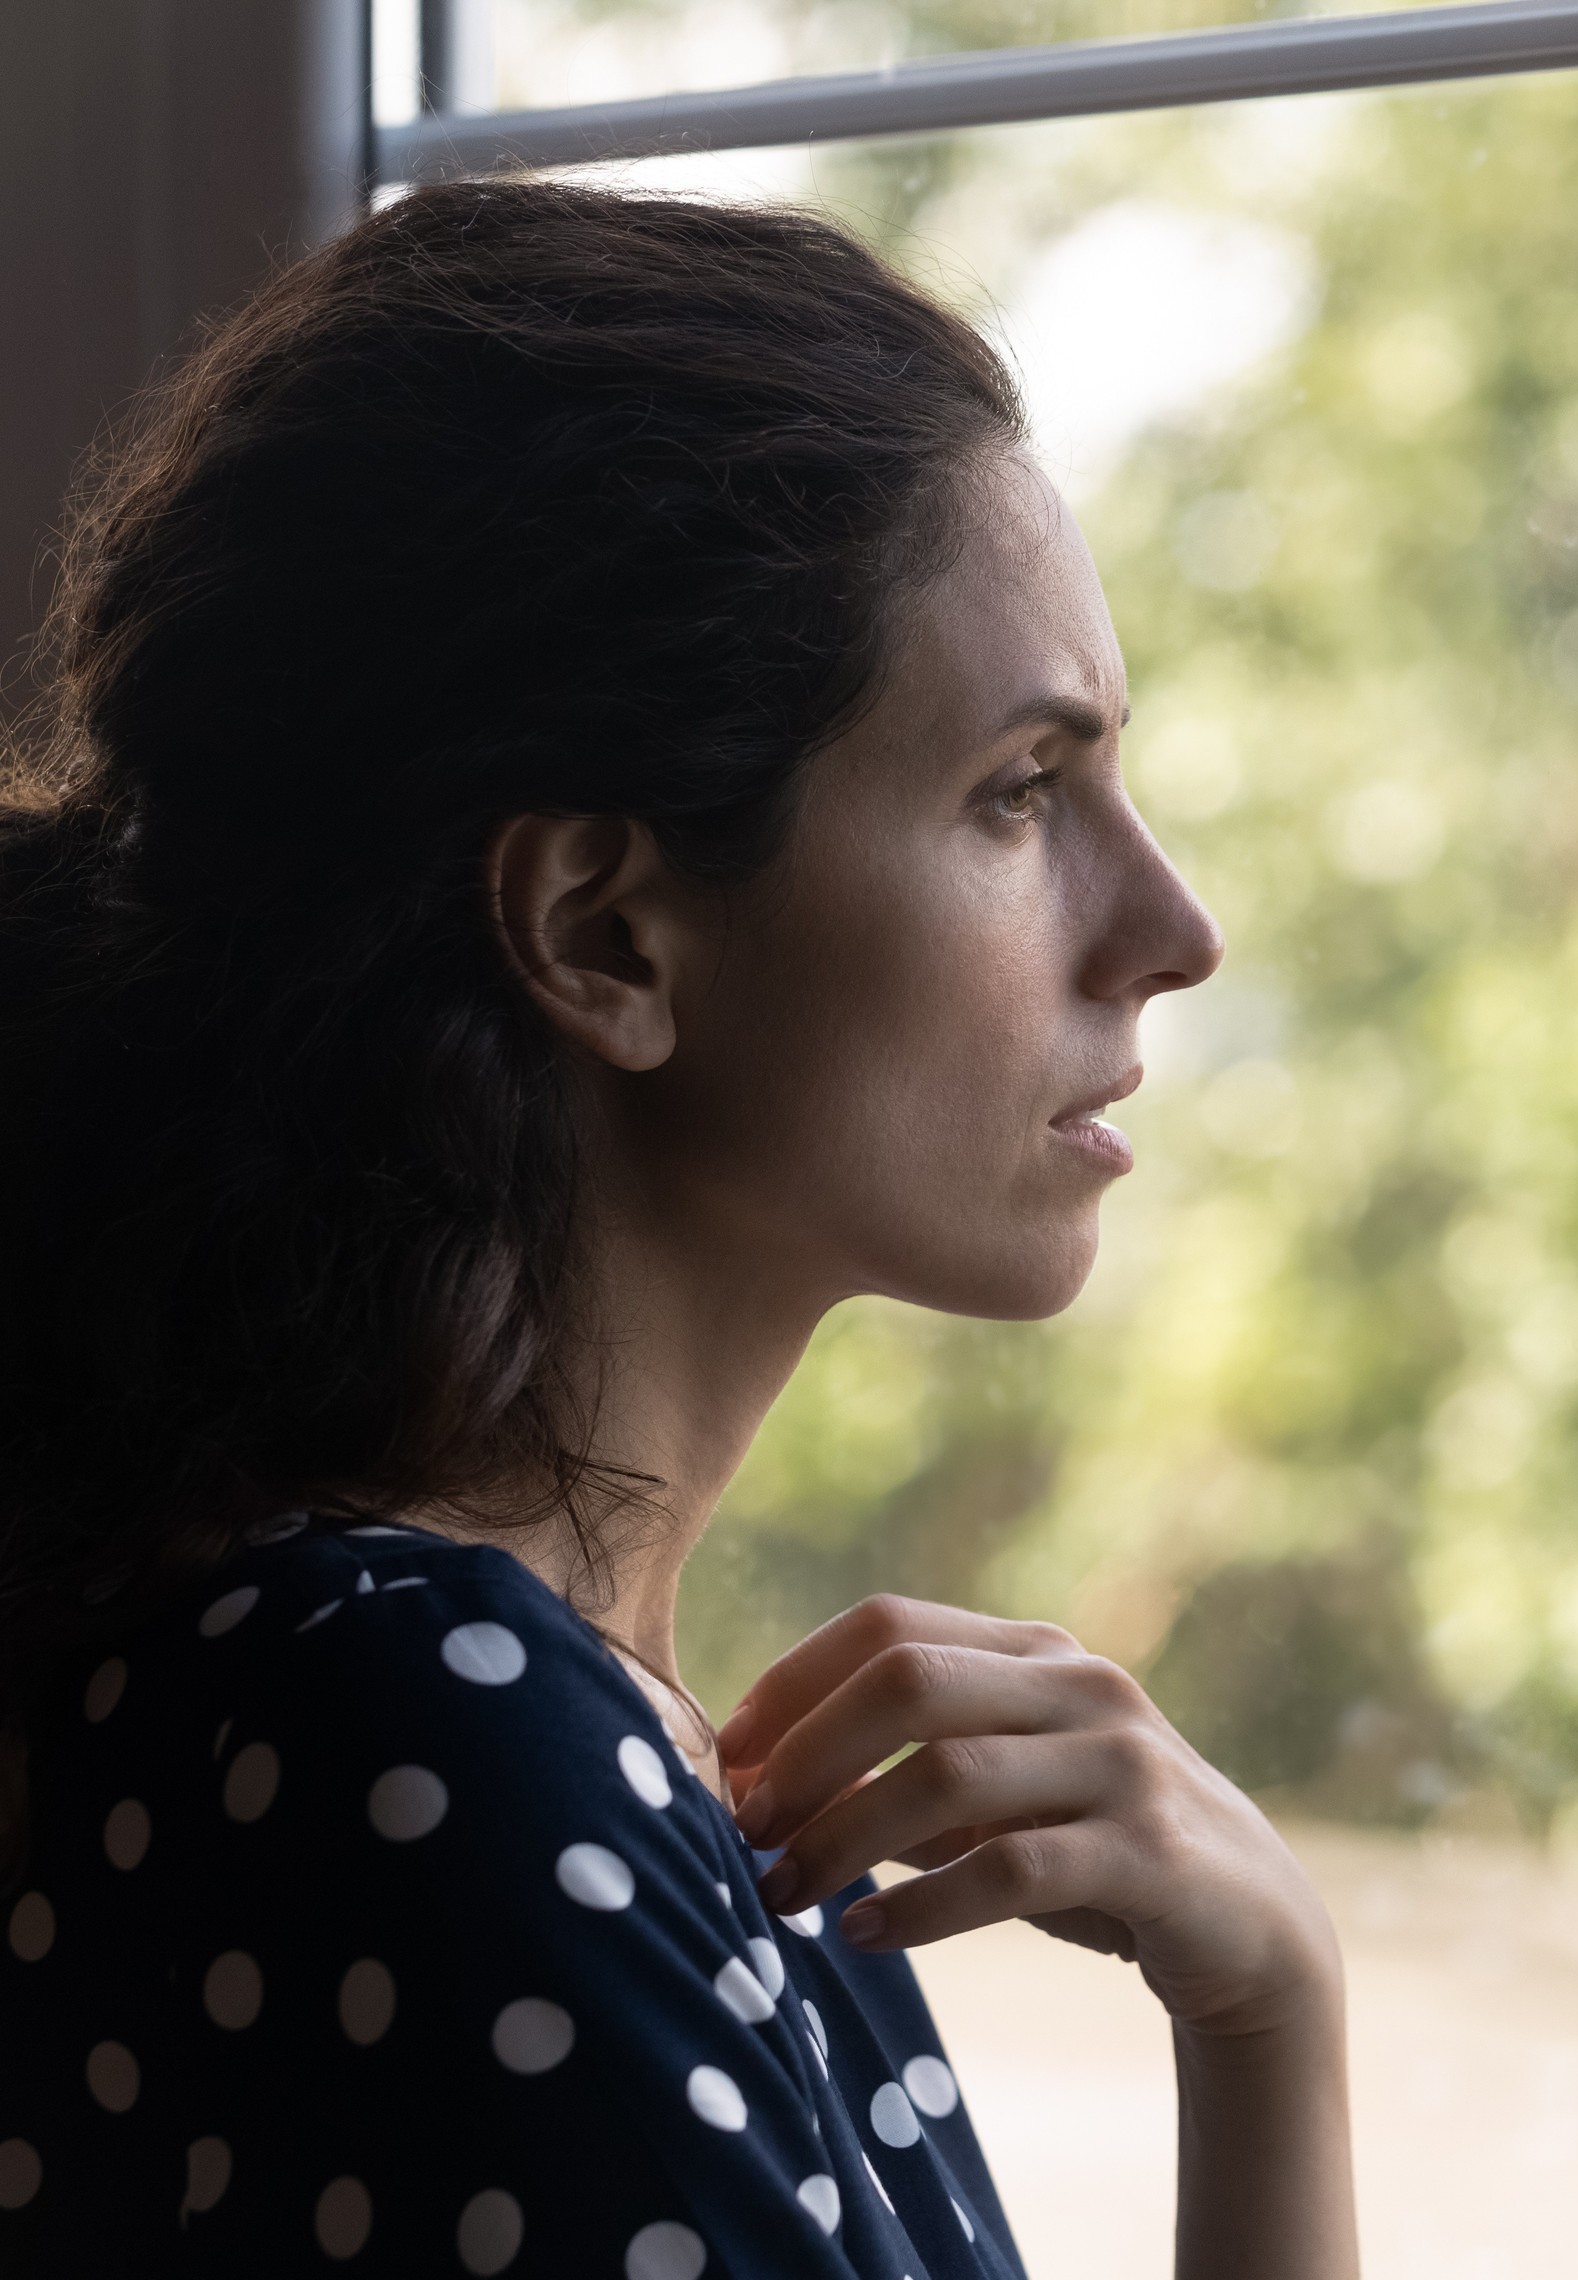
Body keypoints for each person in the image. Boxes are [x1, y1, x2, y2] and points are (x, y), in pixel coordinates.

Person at [0, 182, 1358, 2279]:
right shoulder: (421, 1737)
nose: (1174, 931)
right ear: (604, 933)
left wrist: (1268, 2015)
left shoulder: (532, 1724)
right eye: (1020, 792)